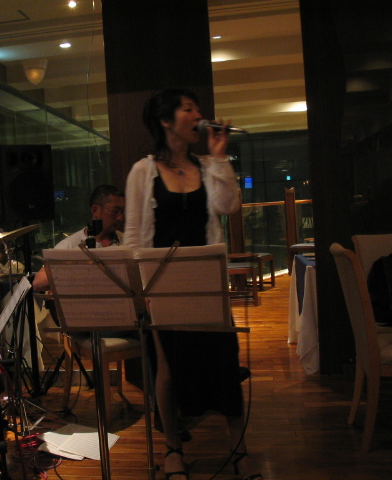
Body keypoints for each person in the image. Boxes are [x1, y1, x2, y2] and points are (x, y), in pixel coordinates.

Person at [124, 89, 262, 480]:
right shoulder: (143, 171)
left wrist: (219, 155)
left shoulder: (205, 164)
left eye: (197, 108)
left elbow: (228, 205)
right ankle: (173, 449)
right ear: (166, 121)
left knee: (224, 364)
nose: (199, 115)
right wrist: (139, 291)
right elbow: (133, 236)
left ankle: (239, 450)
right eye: (189, 109)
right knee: (167, 370)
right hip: (161, 284)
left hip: (206, 280)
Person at [32, 184, 125, 292]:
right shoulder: (69, 245)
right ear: (95, 210)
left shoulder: (127, 242)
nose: (121, 218)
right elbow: (38, 283)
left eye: (122, 211)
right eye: (115, 211)